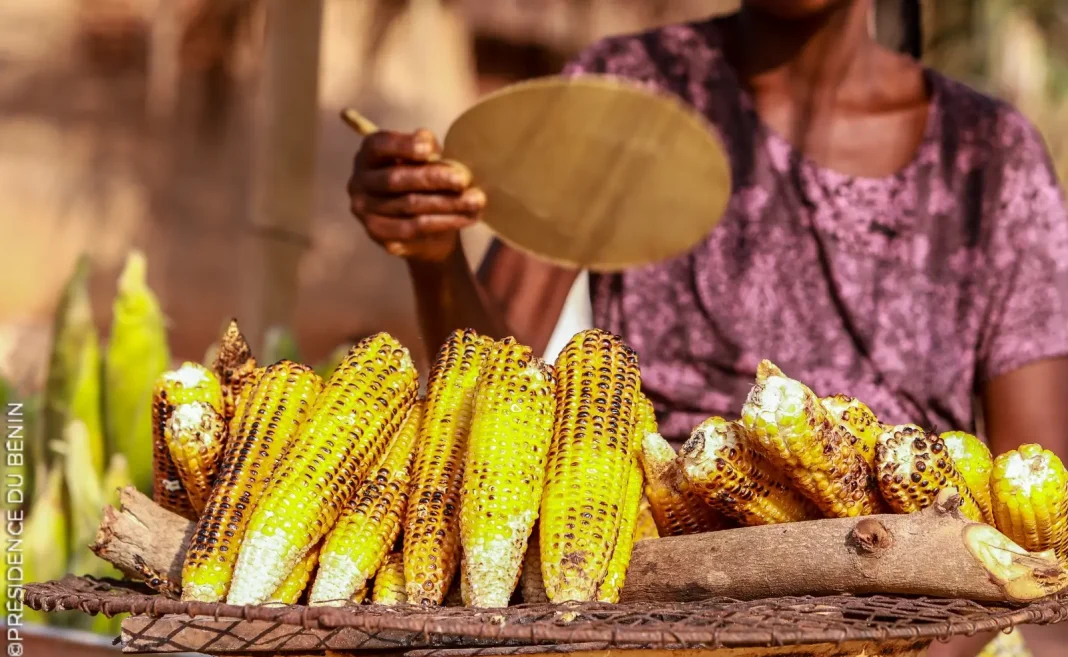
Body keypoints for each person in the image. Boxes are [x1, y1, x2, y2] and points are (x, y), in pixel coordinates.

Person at [347, 2, 1068, 655]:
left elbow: (1033, 502)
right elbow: (487, 384)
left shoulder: (987, 157)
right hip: (650, 594)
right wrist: (436, 259)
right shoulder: (627, 93)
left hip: (921, 614)